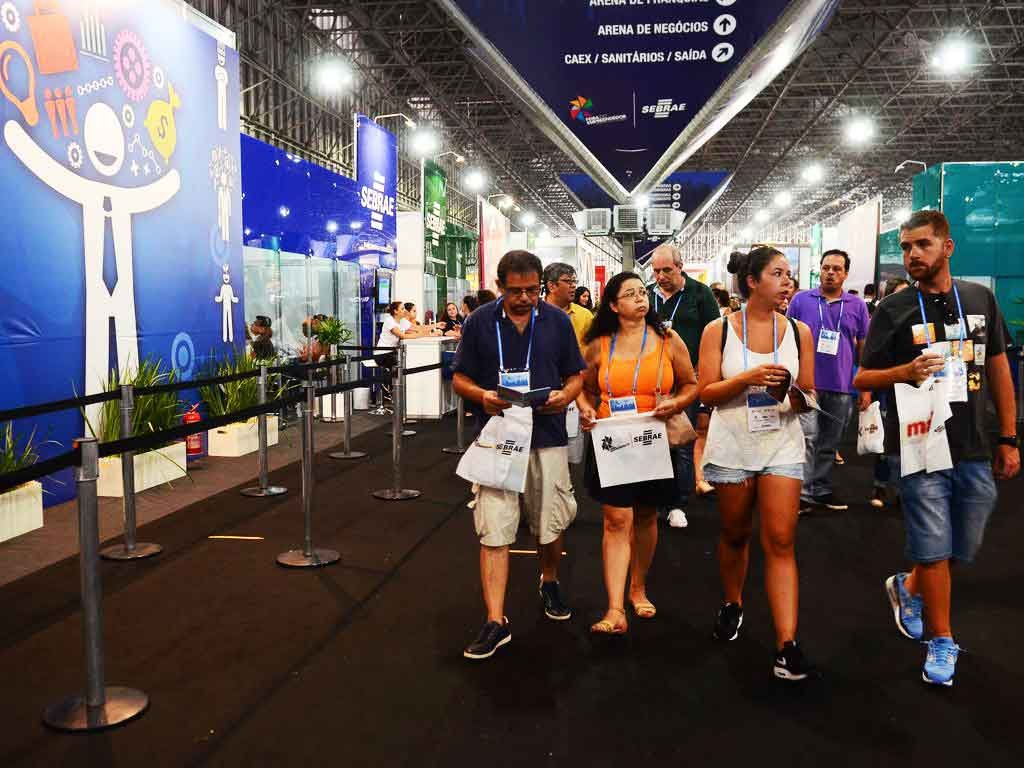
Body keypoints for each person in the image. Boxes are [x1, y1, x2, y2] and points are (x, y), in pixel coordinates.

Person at [853, 210, 1019, 687]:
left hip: (973, 446)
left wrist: (1008, 437)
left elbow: (998, 367)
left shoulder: (980, 298)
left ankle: (908, 588)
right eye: (906, 247)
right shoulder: (893, 309)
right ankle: (941, 639)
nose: (912, 255)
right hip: (919, 445)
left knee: (962, 545)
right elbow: (862, 377)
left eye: (922, 245)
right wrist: (903, 373)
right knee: (933, 548)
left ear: (948, 247)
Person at [452, 250, 587, 660]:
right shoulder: (479, 322)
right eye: (516, 291)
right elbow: (460, 378)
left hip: (547, 435)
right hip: (498, 436)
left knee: (550, 521)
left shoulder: (558, 321)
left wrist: (566, 396)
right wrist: (481, 395)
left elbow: (576, 375)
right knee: (493, 526)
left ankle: (549, 580)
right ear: (500, 285)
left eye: (532, 290)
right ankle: (496, 620)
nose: (526, 297)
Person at [698, 247, 817, 681]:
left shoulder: (799, 331)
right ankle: (732, 601)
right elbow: (706, 393)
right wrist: (746, 379)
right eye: (778, 274)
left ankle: (787, 644)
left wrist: (791, 392)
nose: (788, 282)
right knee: (735, 533)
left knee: (781, 540)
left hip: (781, 444)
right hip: (732, 445)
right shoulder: (718, 330)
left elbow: (810, 397)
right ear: (752, 281)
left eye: (790, 274)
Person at [578, 272, 698, 633]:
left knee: (646, 516)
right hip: (612, 439)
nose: (640, 298)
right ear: (614, 306)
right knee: (616, 520)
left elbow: (691, 384)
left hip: (653, 438)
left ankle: (638, 587)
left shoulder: (667, 339)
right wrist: (585, 408)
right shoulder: (599, 343)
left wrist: (677, 402)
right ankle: (614, 608)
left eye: (642, 292)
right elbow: (581, 387)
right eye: (630, 294)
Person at [786, 249, 871, 513]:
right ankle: (802, 493)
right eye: (826, 268)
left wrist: (864, 386)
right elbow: (788, 338)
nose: (830, 273)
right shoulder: (801, 300)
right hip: (806, 384)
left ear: (845, 274)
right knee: (807, 438)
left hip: (842, 384)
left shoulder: (857, 305)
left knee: (830, 443)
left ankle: (819, 489)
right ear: (819, 270)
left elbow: (864, 347)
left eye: (836, 269)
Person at [647, 243, 721, 528]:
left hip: (688, 381)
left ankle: (678, 503)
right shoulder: (647, 293)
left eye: (666, 270)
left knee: (682, 443)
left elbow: (714, 337)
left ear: (680, 267)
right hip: (651, 381)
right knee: (653, 443)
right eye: (656, 271)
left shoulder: (700, 294)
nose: (660, 276)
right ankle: (655, 502)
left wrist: (704, 378)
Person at [868, 277, 912, 509]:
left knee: (910, 442)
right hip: (886, 391)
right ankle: (881, 486)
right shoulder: (881, 322)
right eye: (899, 294)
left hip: (914, 392)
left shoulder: (918, 320)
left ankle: (904, 491)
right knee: (884, 444)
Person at [543, 262, 592, 351]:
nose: (573, 285)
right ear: (551, 286)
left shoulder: (585, 316)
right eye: (568, 281)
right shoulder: (533, 315)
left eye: (574, 281)